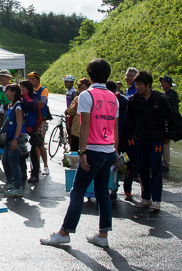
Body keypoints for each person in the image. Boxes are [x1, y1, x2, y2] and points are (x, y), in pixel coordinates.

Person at [41, 58, 119, 248]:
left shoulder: (87, 95)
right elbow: (115, 127)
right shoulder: (113, 97)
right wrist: (115, 150)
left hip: (92, 150)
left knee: (77, 191)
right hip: (109, 150)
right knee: (102, 193)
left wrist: (82, 151)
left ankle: (64, 232)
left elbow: (85, 125)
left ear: (90, 74)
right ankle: (102, 235)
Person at [124, 71, 176, 211]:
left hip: (156, 140)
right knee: (141, 168)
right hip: (141, 139)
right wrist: (133, 134)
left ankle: (156, 200)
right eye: (136, 84)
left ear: (148, 85)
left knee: (156, 169)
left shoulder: (160, 99)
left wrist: (167, 136)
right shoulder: (134, 100)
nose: (138, 87)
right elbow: (129, 120)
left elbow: (171, 118)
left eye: (140, 84)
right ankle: (146, 197)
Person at [0, 83, 25, 197]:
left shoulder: (18, 106)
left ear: (14, 92)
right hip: (7, 139)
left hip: (14, 140)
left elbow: (19, 124)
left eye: (8, 91)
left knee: (14, 163)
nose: (6, 93)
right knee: (5, 161)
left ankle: (17, 187)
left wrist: (16, 139)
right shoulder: (10, 105)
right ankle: (9, 182)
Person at [27, 72, 50, 177]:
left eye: (33, 79)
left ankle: (45, 165)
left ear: (38, 80)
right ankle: (37, 166)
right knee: (33, 144)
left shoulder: (43, 90)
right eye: (29, 80)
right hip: (32, 120)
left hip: (41, 120)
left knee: (40, 143)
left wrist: (30, 102)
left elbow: (42, 104)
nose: (31, 81)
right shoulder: (30, 92)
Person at [20, 79, 43, 183]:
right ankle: (22, 172)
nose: (22, 89)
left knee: (33, 152)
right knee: (21, 152)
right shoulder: (20, 97)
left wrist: (25, 95)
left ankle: (34, 173)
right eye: (21, 88)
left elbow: (32, 105)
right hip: (22, 129)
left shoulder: (33, 96)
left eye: (23, 87)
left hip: (31, 129)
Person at [159, 75, 180, 170]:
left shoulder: (171, 94)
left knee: (166, 143)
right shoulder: (164, 94)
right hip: (163, 123)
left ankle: (165, 163)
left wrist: (170, 133)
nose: (162, 84)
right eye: (161, 82)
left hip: (168, 123)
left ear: (169, 84)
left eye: (164, 82)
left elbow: (172, 113)